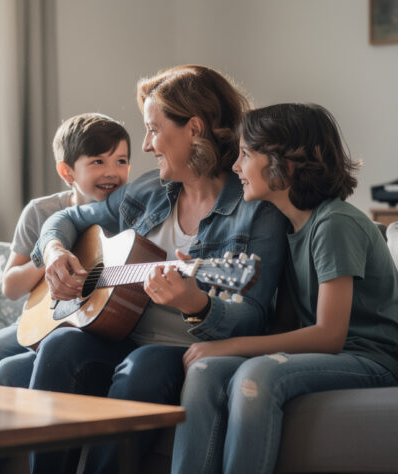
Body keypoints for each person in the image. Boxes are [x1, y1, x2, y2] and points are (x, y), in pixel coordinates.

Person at [26, 65, 288, 474]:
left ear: (194, 129)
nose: (146, 145)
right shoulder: (150, 190)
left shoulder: (256, 212)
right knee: (60, 347)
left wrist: (197, 303)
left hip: (181, 351)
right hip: (122, 331)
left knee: (145, 363)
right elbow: (68, 221)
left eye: (153, 130)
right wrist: (56, 250)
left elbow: (253, 313)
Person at [171, 103, 398, 474]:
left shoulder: (334, 223)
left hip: (375, 360)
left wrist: (230, 344)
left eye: (245, 155)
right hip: (334, 356)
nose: (236, 167)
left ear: (284, 165)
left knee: (257, 377)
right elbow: (285, 329)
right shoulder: (289, 229)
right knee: (206, 371)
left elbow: (329, 336)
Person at [0, 112, 131, 474]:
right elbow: (11, 284)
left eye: (121, 160)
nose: (112, 172)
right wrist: (52, 257)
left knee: (7, 373)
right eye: (98, 161)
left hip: (85, 328)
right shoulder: (43, 211)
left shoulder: (126, 213)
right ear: (67, 171)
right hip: (40, 321)